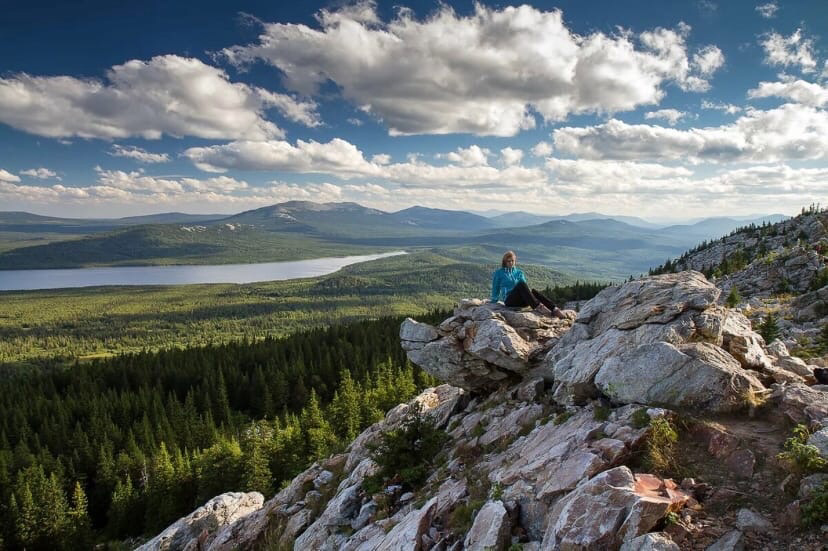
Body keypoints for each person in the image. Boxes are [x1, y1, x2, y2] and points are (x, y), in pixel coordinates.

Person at [490, 251, 566, 318]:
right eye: (508, 261)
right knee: (521, 284)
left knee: (533, 291)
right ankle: (538, 307)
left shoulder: (519, 272)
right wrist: (494, 301)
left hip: (522, 302)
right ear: (504, 262)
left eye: (512, 261)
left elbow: (525, 289)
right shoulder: (499, 273)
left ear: (515, 261)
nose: (510, 263)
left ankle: (554, 309)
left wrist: (531, 295)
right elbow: (495, 287)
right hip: (510, 301)